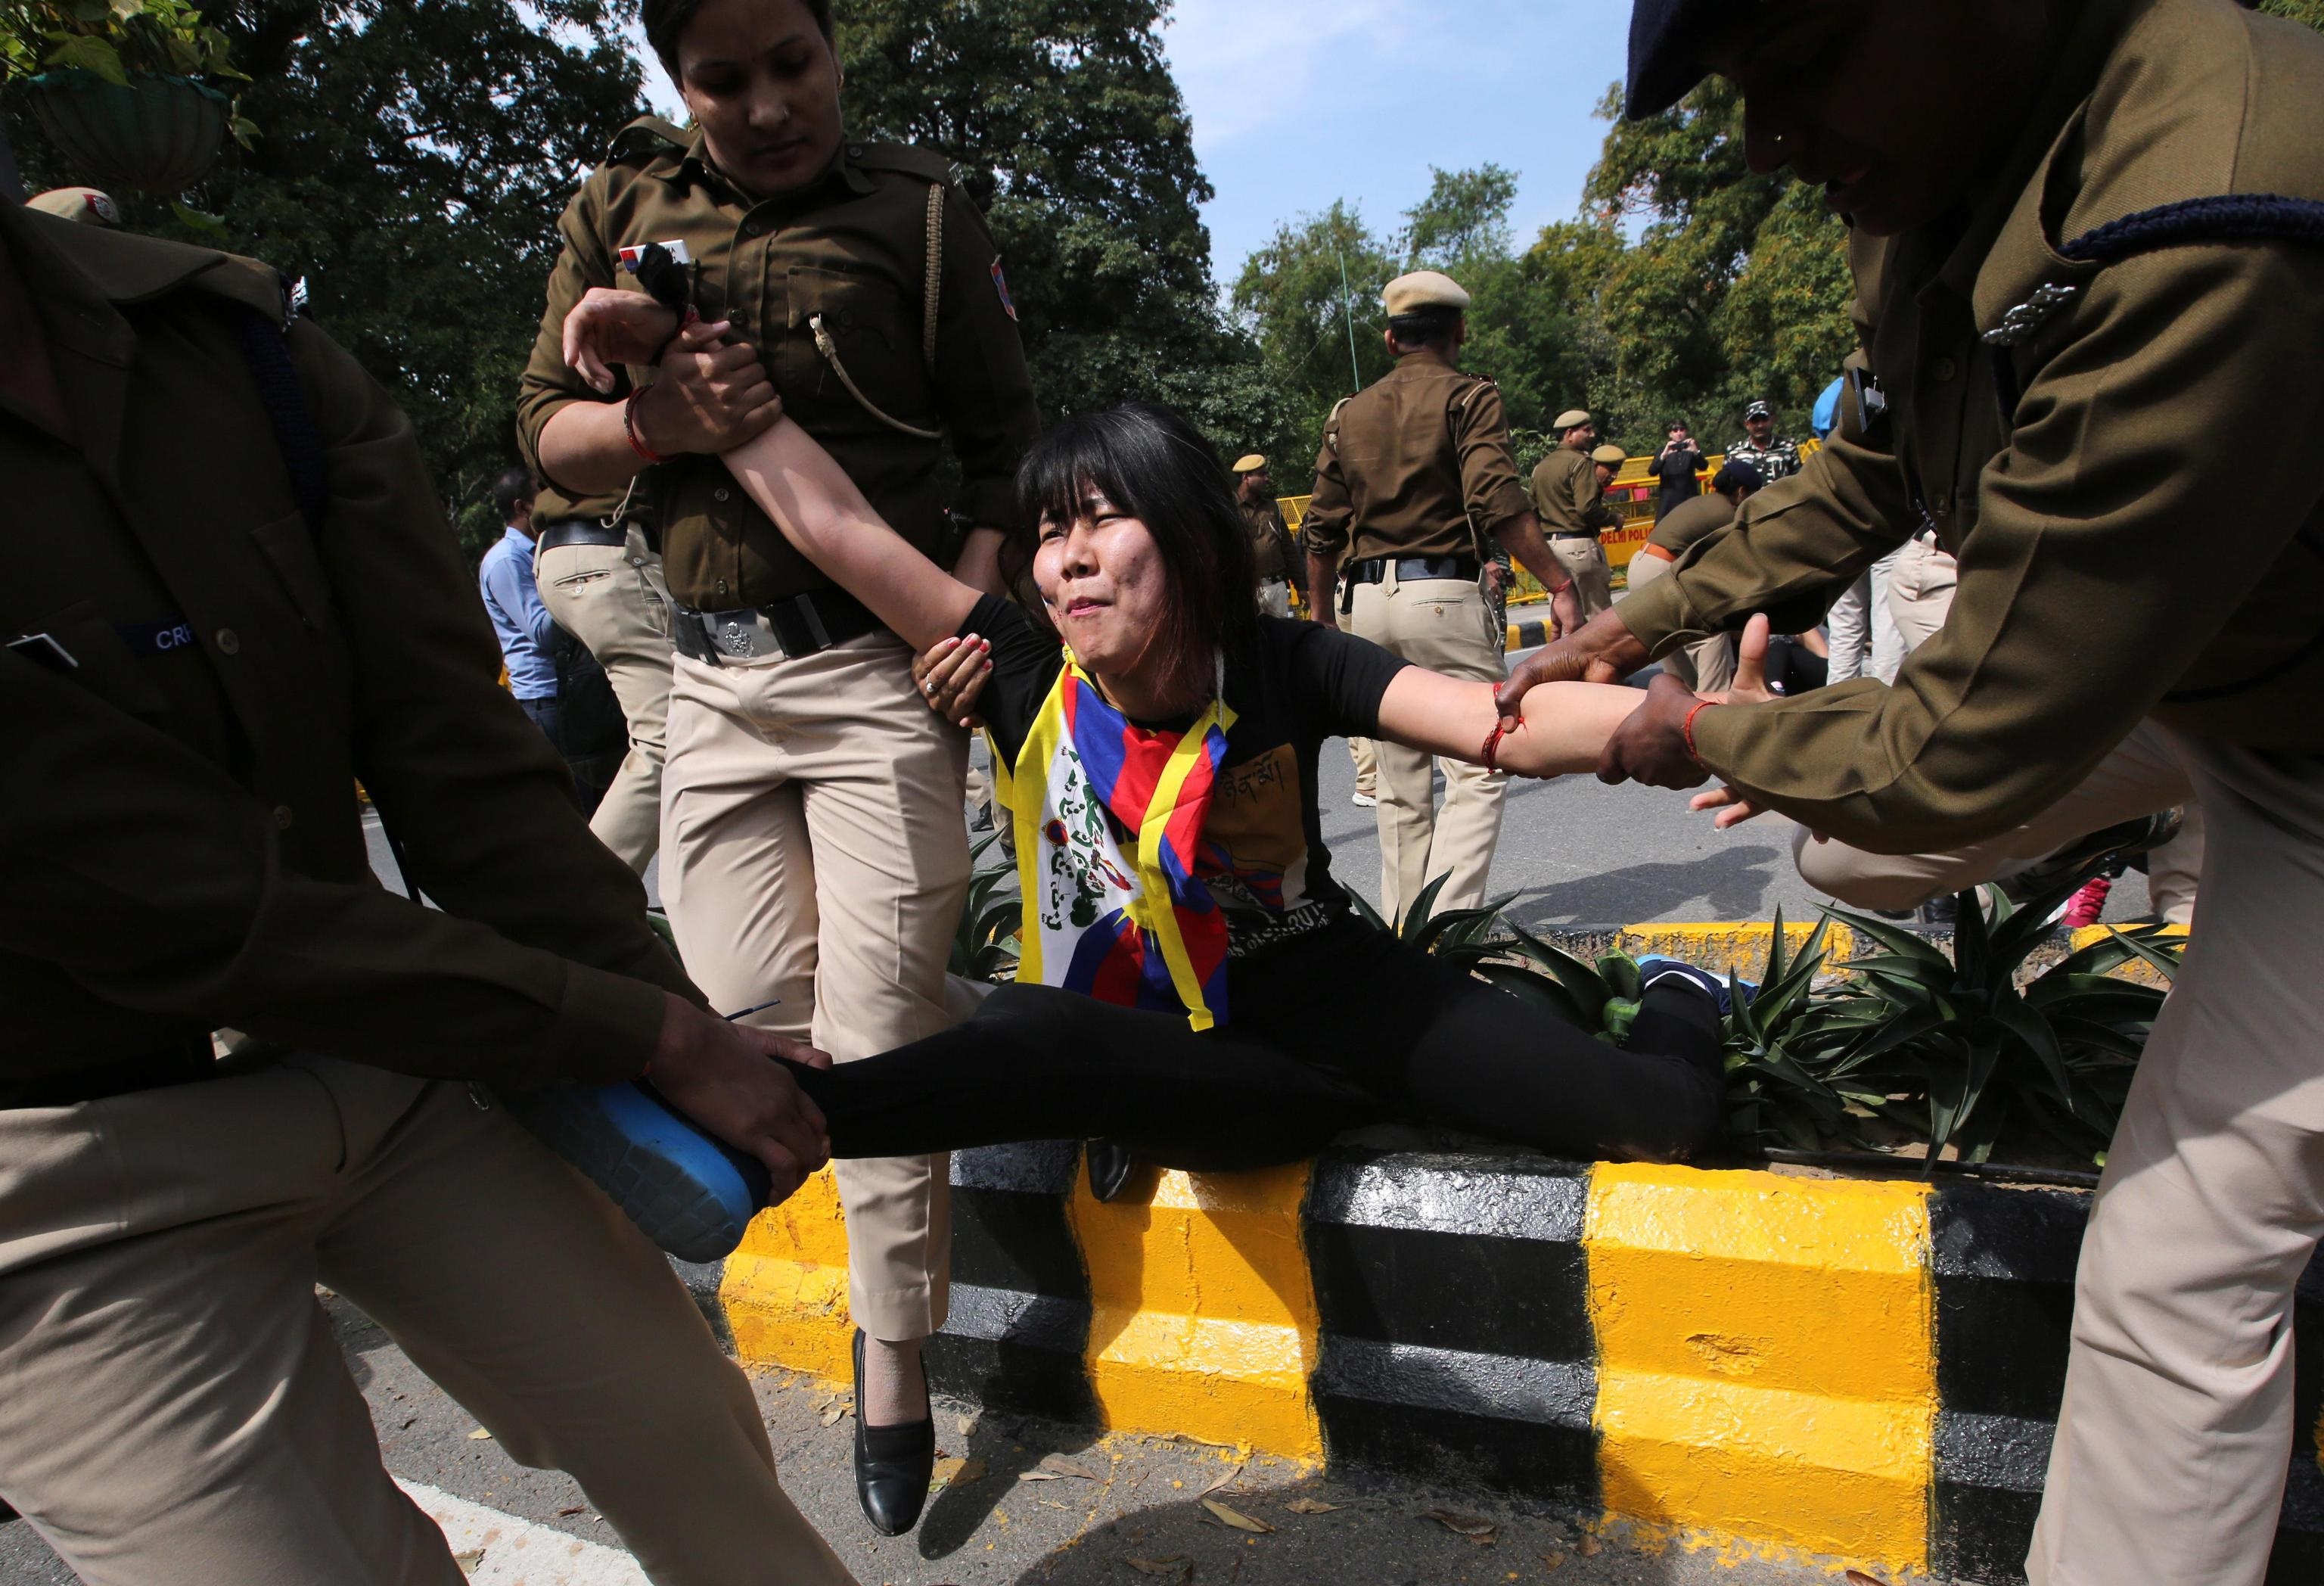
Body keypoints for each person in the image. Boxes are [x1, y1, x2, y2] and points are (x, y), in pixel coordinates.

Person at [1515, 2, 2324, 1580]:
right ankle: (2147, 817)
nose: (1770, 147)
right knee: (1847, 854)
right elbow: (1870, 474)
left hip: (2298, 737)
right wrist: (1644, 620)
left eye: (1800, 72)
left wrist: (1686, 731)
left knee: (2179, 1261)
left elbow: (1958, 747)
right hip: (2204, 668)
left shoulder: (2200, 219)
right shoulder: (1949, 179)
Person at [0, 169, 852, 1586]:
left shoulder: (232, 343)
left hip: (388, 1066)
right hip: (68, 1174)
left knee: (687, 1444)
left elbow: (456, 752)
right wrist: (638, 1029)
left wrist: (667, 1018)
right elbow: (174, 902)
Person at [558, 281, 1741, 1193]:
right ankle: (764, 1128)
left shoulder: (1285, 661)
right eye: (1047, 530)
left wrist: (1678, 723)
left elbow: (1503, 725)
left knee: (1669, 1122)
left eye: (1103, 519)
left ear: (1189, 540)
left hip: (1343, 997)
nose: (1066, 555)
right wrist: (693, 370)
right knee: (1049, 1043)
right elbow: (836, 528)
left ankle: (1686, 988)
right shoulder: (1027, 673)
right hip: (1166, 1042)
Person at [514, 0, 1042, 1535]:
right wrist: (646, 421)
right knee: (762, 1021)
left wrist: (985, 611)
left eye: (790, 64)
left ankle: (896, 1354)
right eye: (721, 80)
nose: (763, 106)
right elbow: (540, 432)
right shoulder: (617, 207)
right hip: (709, 679)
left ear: (833, 48)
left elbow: (1000, 447)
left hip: (883, 670)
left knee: (879, 1036)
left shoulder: (925, 217)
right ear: (677, 84)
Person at [1297, 269, 1580, 924]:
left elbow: (1320, 530)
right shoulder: (1470, 397)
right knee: (1480, 766)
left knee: (1400, 789)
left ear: (1391, 339)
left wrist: (1319, 620)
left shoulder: (1347, 413)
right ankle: (1443, 934)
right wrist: (1558, 583)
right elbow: (1495, 498)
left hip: (1364, 604)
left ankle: (1402, 939)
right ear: (1459, 332)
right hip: (1443, 599)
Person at [533, 483, 676, 873]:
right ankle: (588, 908)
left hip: (580, 553)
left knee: (699, 735)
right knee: (669, 740)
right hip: (616, 550)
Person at [1620, 459, 1762, 692]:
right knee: (1708, 632)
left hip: (1641, 565)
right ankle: (1712, 701)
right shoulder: (1727, 514)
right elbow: (1739, 562)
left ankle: (1680, 700)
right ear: (1741, 492)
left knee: (1671, 640)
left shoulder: (1704, 501)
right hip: (1661, 568)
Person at [477, 468, 566, 749]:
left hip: (566, 692)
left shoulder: (541, 549)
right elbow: (543, 631)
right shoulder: (506, 560)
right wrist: (578, 591)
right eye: (541, 490)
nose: (551, 497)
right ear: (523, 506)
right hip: (545, 700)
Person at [1528, 408, 1617, 629]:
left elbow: (1531, 508)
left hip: (1551, 549)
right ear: (1570, 434)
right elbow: (1587, 508)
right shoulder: (1580, 463)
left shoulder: (1542, 467)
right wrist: (1613, 518)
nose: (1592, 435)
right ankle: (1601, 664)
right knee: (1599, 620)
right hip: (1579, 547)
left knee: (1569, 622)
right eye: (1586, 430)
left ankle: (1572, 664)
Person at [1232, 453, 1300, 618]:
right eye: (1262, 474)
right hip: (1248, 590)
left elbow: (1288, 550)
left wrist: (1302, 586)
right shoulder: (1230, 508)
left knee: (1281, 640)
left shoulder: (1273, 508)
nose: (1267, 478)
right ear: (1246, 477)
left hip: (1277, 587)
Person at [1723, 398, 1801, 484]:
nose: (1760, 425)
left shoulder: (1788, 447)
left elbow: (1799, 481)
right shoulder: (1734, 452)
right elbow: (1727, 488)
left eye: (1764, 420)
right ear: (1747, 424)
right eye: (1755, 421)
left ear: (1772, 421)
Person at [1649, 421, 1704, 517]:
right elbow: (1652, 472)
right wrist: (1663, 456)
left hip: (1689, 498)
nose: (1679, 433)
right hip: (1669, 501)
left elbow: (1704, 467)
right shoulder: (1662, 450)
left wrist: (1696, 452)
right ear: (1670, 434)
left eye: (1681, 430)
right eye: (1675, 430)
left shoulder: (1691, 448)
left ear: (1686, 432)